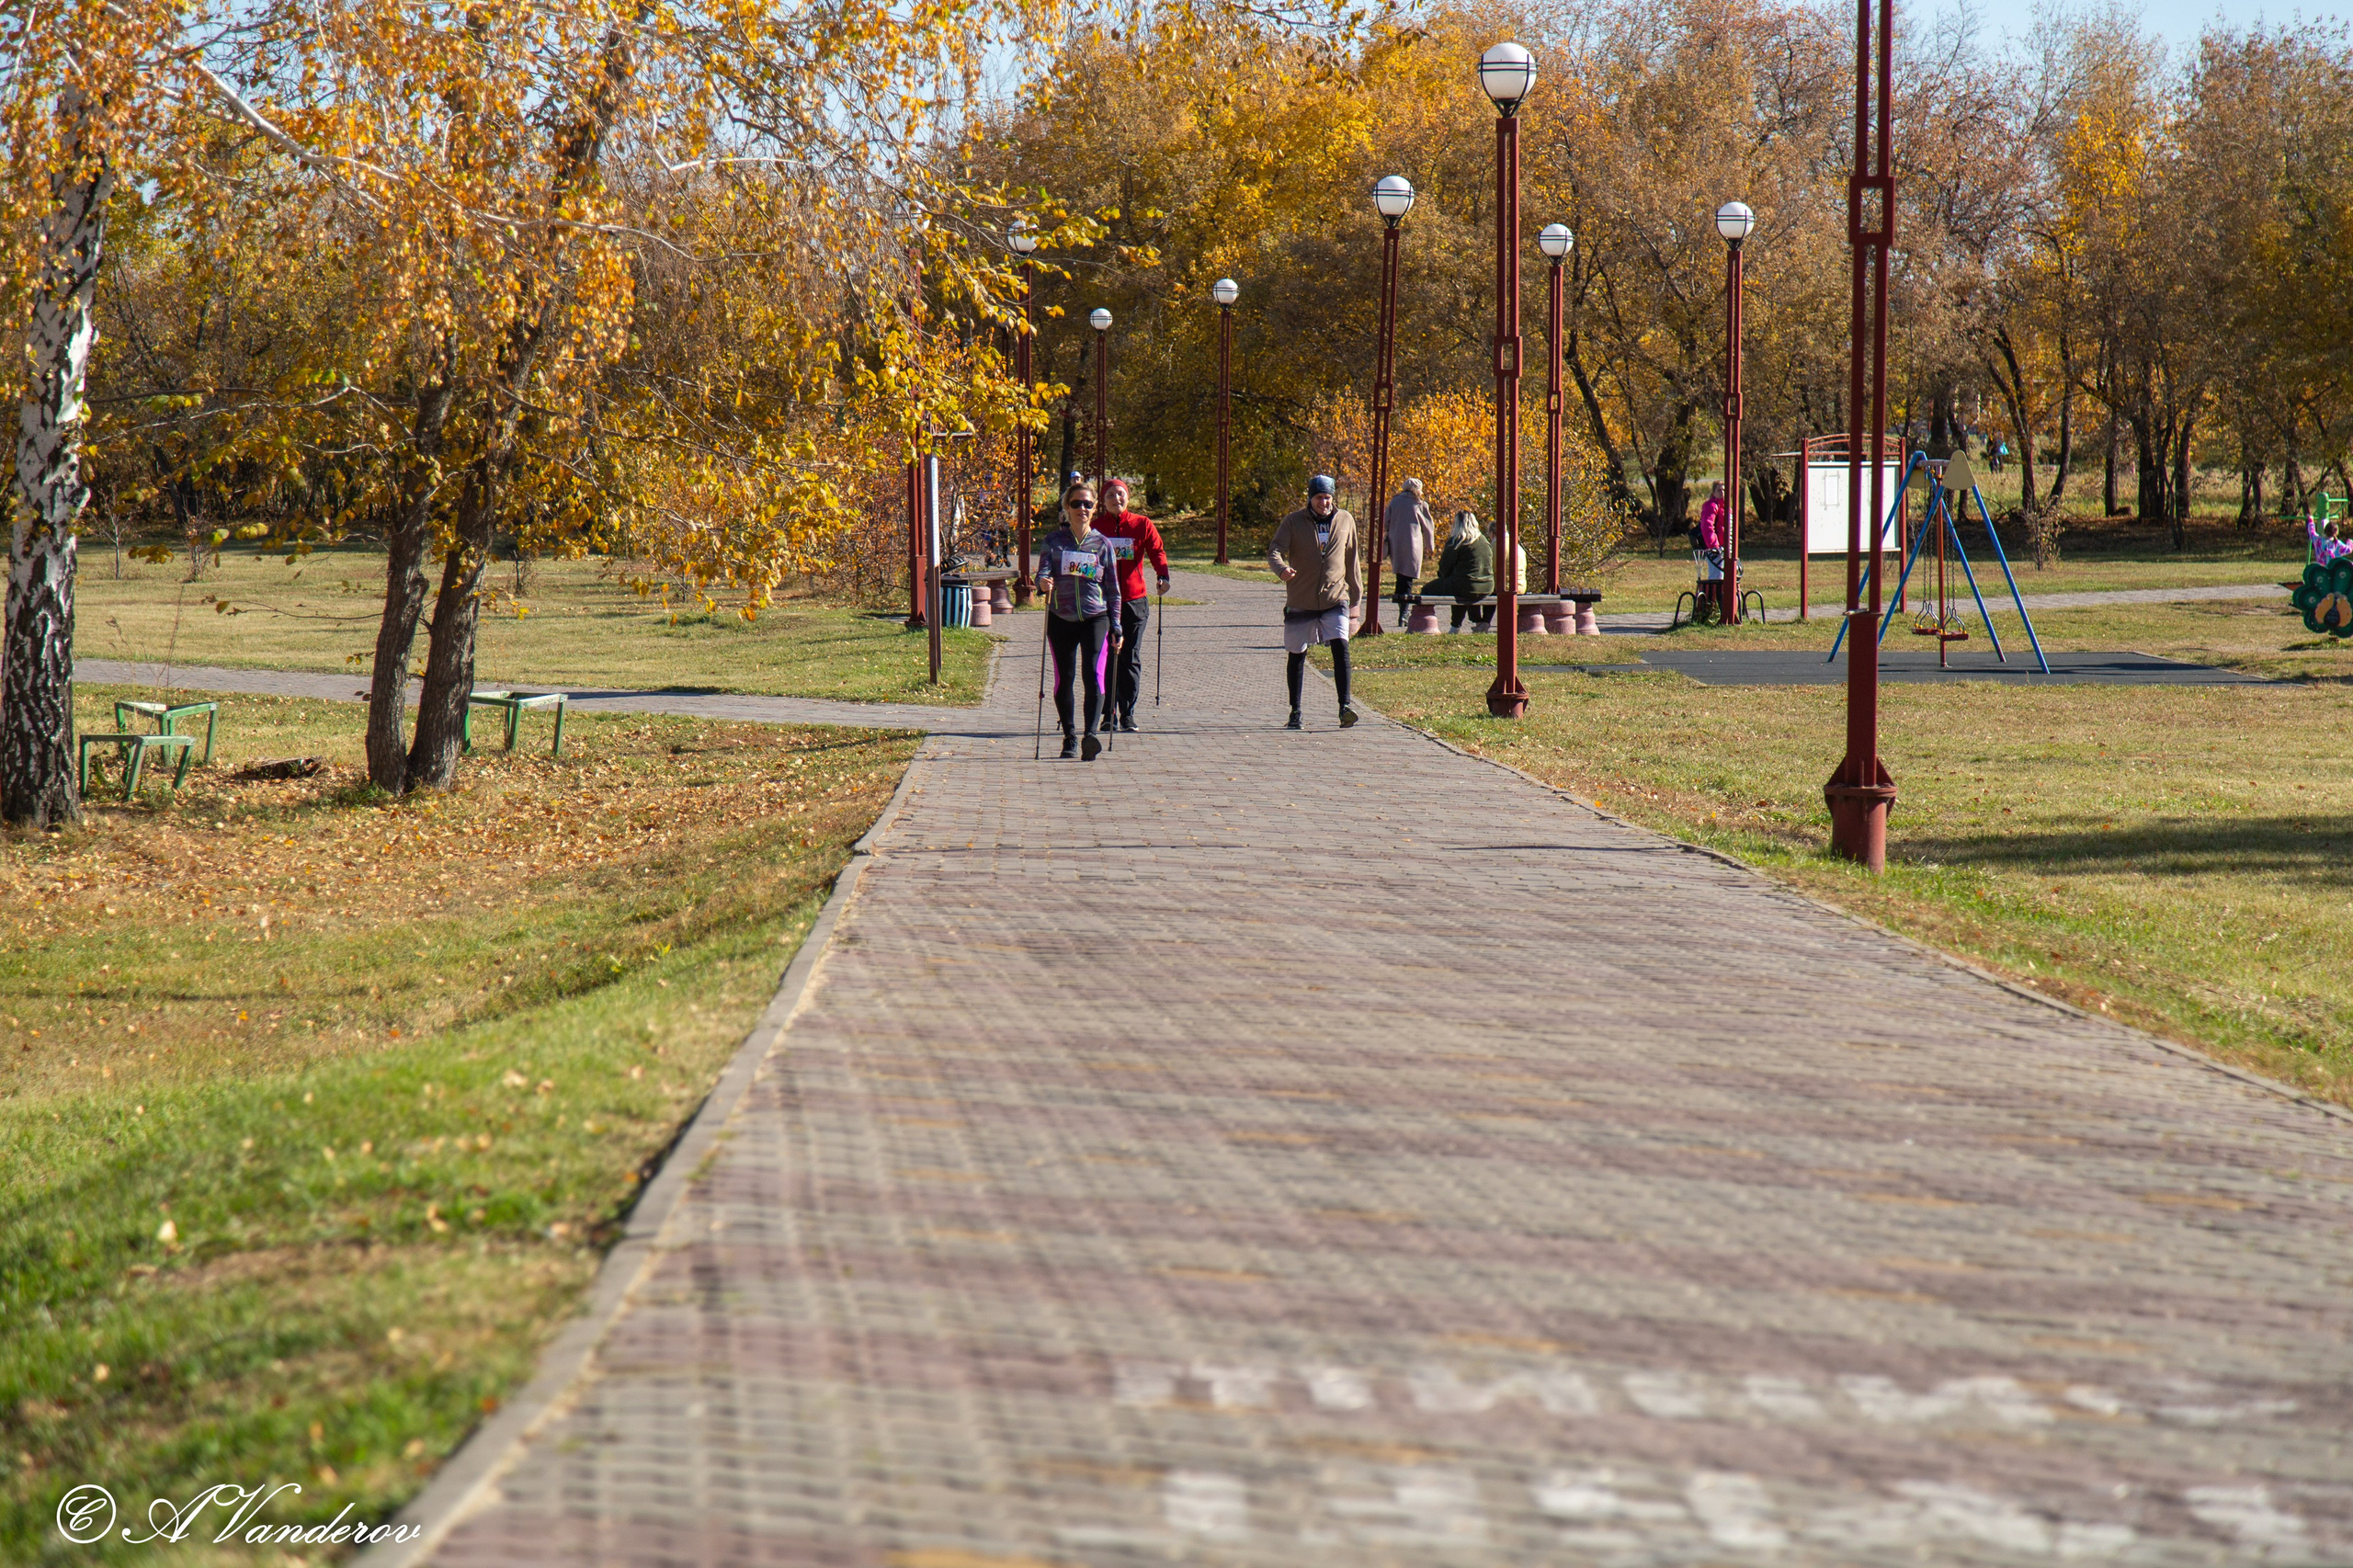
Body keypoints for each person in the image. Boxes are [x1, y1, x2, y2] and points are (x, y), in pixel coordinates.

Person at [1032, 483, 1121, 760]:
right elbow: (1042, 573)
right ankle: (1069, 737)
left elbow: (1113, 590)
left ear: (1095, 508)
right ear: (1066, 508)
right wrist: (1043, 583)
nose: (1082, 509)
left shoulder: (1103, 545)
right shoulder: (1054, 541)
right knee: (1065, 678)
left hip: (1096, 618)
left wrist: (1117, 624)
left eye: (1087, 504)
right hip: (1062, 617)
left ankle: (1090, 735)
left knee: (1093, 675)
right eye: (1076, 504)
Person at [1267, 473, 1362, 729]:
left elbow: (1352, 559)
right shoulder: (1293, 522)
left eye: (1328, 498)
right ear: (1310, 499)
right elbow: (1275, 549)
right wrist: (1281, 569)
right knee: (1297, 653)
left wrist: (1356, 597)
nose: (1324, 503)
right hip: (1301, 598)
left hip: (1335, 597)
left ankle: (1345, 707)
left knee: (1341, 647)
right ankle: (1295, 711)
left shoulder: (1345, 521)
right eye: (1319, 498)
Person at [1093, 478, 1171, 733]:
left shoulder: (1141, 524)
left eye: (1121, 494)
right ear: (1103, 501)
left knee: (1130, 657)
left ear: (1128, 497)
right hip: (1103, 601)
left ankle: (1128, 713)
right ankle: (1107, 714)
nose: (1117, 499)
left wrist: (1163, 575)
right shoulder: (1096, 527)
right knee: (1105, 657)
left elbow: (1156, 550)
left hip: (1134, 600)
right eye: (1111, 495)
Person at [1420, 510, 1495, 632]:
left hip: (1466, 585)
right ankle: (1457, 626)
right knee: (1460, 586)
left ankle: (1425, 624)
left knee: (1428, 589)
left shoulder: (1457, 541)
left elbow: (1445, 567)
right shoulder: (1484, 541)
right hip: (1487, 586)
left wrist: (1443, 578)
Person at [1384, 477, 1436, 617]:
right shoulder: (1420, 504)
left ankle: (1402, 609)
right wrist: (1430, 546)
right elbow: (1428, 527)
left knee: (1400, 575)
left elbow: (1385, 522)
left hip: (1396, 543)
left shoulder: (1394, 502)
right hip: (1413, 544)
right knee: (1409, 576)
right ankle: (1404, 612)